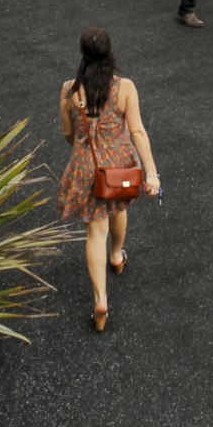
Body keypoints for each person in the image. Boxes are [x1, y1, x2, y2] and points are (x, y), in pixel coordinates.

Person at [57, 26, 161, 332]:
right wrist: (151, 172)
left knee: (94, 234)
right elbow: (138, 131)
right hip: (119, 167)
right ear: (109, 52)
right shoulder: (124, 87)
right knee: (119, 209)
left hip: (86, 167)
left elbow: (67, 133)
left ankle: (101, 300)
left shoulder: (68, 90)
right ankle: (117, 256)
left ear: (83, 55)